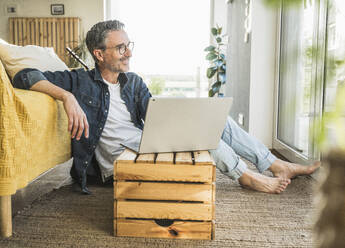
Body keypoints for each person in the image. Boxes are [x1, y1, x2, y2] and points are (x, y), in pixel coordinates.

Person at [12, 20, 320, 195]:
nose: (128, 52)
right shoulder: (77, 82)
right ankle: (246, 176)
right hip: (119, 162)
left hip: (146, 143)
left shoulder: (133, 82)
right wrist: (66, 97)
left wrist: (179, 115)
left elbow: (152, 113)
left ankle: (272, 163)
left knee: (214, 123)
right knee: (199, 136)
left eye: (129, 45)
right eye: (120, 47)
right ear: (99, 54)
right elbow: (25, 75)